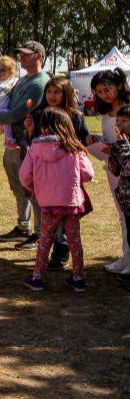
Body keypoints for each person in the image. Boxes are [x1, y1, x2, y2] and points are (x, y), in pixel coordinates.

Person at [20, 108, 94, 292]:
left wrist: (35, 188)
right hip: (71, 203)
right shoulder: (75, 149)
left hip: (48, 204)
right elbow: (88, 174)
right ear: (67, 126)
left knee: (45, 240)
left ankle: (37, 277)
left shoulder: (35, 148)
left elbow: (24, 176)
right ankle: (78, 278)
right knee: (74, 240)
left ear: (43, 126)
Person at [0, 41, 51, 250]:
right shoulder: (23, 80)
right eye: (21, 55)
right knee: (19, 188)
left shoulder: (40, 82)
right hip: (14, 143)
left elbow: (19, 112)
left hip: (29, 144)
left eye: (26, 55)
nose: (21, 58)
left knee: (34, 189)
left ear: (39, 56)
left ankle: (40, 233)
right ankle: (23, 226)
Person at [25, 76, 92, 270]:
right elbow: (34, 149)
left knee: (67, 220)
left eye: (57, 92)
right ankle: (58, 254)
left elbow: (82, 143)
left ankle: (61, 253)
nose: (52, 96)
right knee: (50, 220)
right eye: (49, 91)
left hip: (68, 177)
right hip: (46, 177)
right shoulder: (39, 115)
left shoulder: (75, 116)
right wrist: (30, 131)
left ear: (66, 93)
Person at [89, 68, 130, 274]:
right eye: (100, 91)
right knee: (122, 214)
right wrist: (96, 141)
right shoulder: (105, 114)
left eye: (107, 89)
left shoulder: (127, 110)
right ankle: (126, 257)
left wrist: (112, 147)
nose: (104, 94)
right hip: (113, 171)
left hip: (127, 170)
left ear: (119, 86)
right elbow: (109, 138)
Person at [107, 104, 130, 285]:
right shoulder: (121, 143)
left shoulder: (125, 145)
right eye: (118, 121)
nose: (119, 124)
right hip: (126, 199)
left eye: (125, 121)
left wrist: (122, 147)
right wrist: (114, 151)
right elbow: (115, 170)